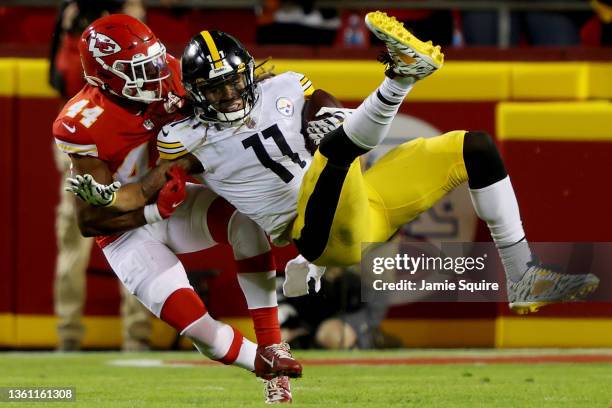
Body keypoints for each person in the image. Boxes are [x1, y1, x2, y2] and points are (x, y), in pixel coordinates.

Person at [72, 11, 599, 316]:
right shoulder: (183, 135)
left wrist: (332, 117)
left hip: (362, 202)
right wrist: (106, 197)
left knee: (475, 147)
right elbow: (141, 194)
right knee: (335, 152)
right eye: (216, 87)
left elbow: (328, 112)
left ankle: (522, 275)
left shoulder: (283, 87)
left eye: (235, 79)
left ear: (250, 72)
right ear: (196, 93)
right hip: (314, 232)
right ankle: (400, 77)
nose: (231, 92)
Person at [55, 14, 299, 404]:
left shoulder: (171, 73)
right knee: (196, 326)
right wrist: (153, 210)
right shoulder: (84, 124)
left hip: (171, 199)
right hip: (125, 231)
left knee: (245, 224)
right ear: (106, 77)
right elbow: (91, 220)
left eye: (154, 59)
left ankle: (274, 345)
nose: (156, 72)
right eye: (139, 69)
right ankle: (263, 365)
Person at [49, 0, 152, 352]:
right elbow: (63, 78)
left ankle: (137, 336)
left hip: (129, 141)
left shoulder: (132, 22)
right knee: (74, 241)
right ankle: (68, 335)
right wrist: (69, 33)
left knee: (136, 233)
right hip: (84, 141)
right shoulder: (78, 19)